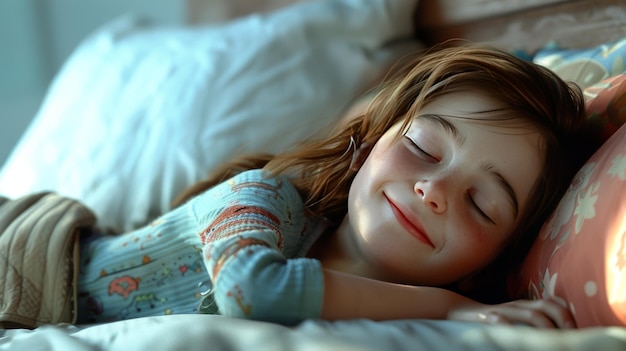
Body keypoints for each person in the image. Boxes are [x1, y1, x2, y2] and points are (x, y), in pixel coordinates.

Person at [76, 43, 586, 328]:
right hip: (37, 255)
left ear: (488, 266)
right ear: (367, 146)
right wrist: (455, 307)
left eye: (481, 204)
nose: (434, 189)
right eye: (423, 149)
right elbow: (250, 290)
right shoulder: (266, 197)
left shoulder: (397, 328)